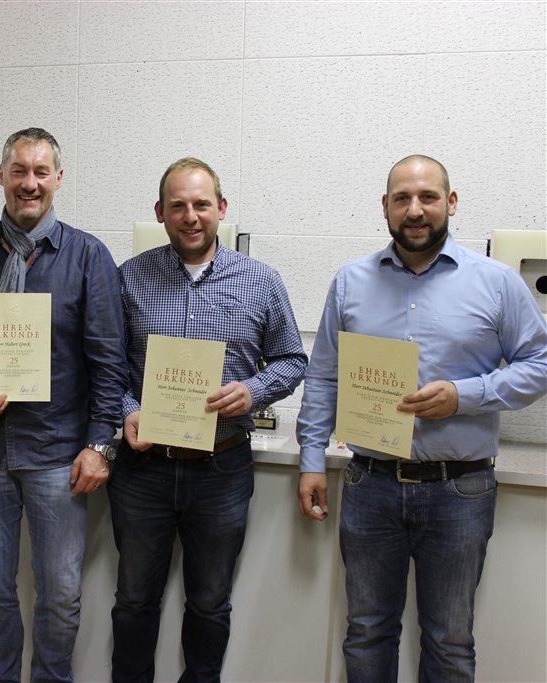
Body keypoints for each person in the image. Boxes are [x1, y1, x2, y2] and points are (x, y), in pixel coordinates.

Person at [296, 154, 547, 682]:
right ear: (385, 207)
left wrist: (466, 395)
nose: (415, 210)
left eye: (428, 197)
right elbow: (323, 376)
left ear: (450, 203)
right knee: (366, 632)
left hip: (460, 490)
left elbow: (540, 363)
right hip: (370, 484)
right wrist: (311, 459)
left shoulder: (497, 283)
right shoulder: (350, 282)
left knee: (450, 641)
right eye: (402, 199)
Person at [0, 128, 127, 683]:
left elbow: (109, 360)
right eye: (19, 170)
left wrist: (100, 445)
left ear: (58, 179)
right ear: (1, 176)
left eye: (41, 172)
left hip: (58, 451)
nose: (29, 183)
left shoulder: (88, 256)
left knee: (61, 595)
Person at [110, 157, 307, 682]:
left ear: (221, 208)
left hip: (221, 468)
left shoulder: (261, 281)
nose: (191, 216)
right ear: (160, 213)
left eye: (201, 204)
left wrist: (253, 391)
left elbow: (292, 359)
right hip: (143, 469)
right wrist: (129, 411)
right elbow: (108, 368)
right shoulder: (129, 278)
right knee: (133, 600)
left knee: (210, 602)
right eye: (178, 206)